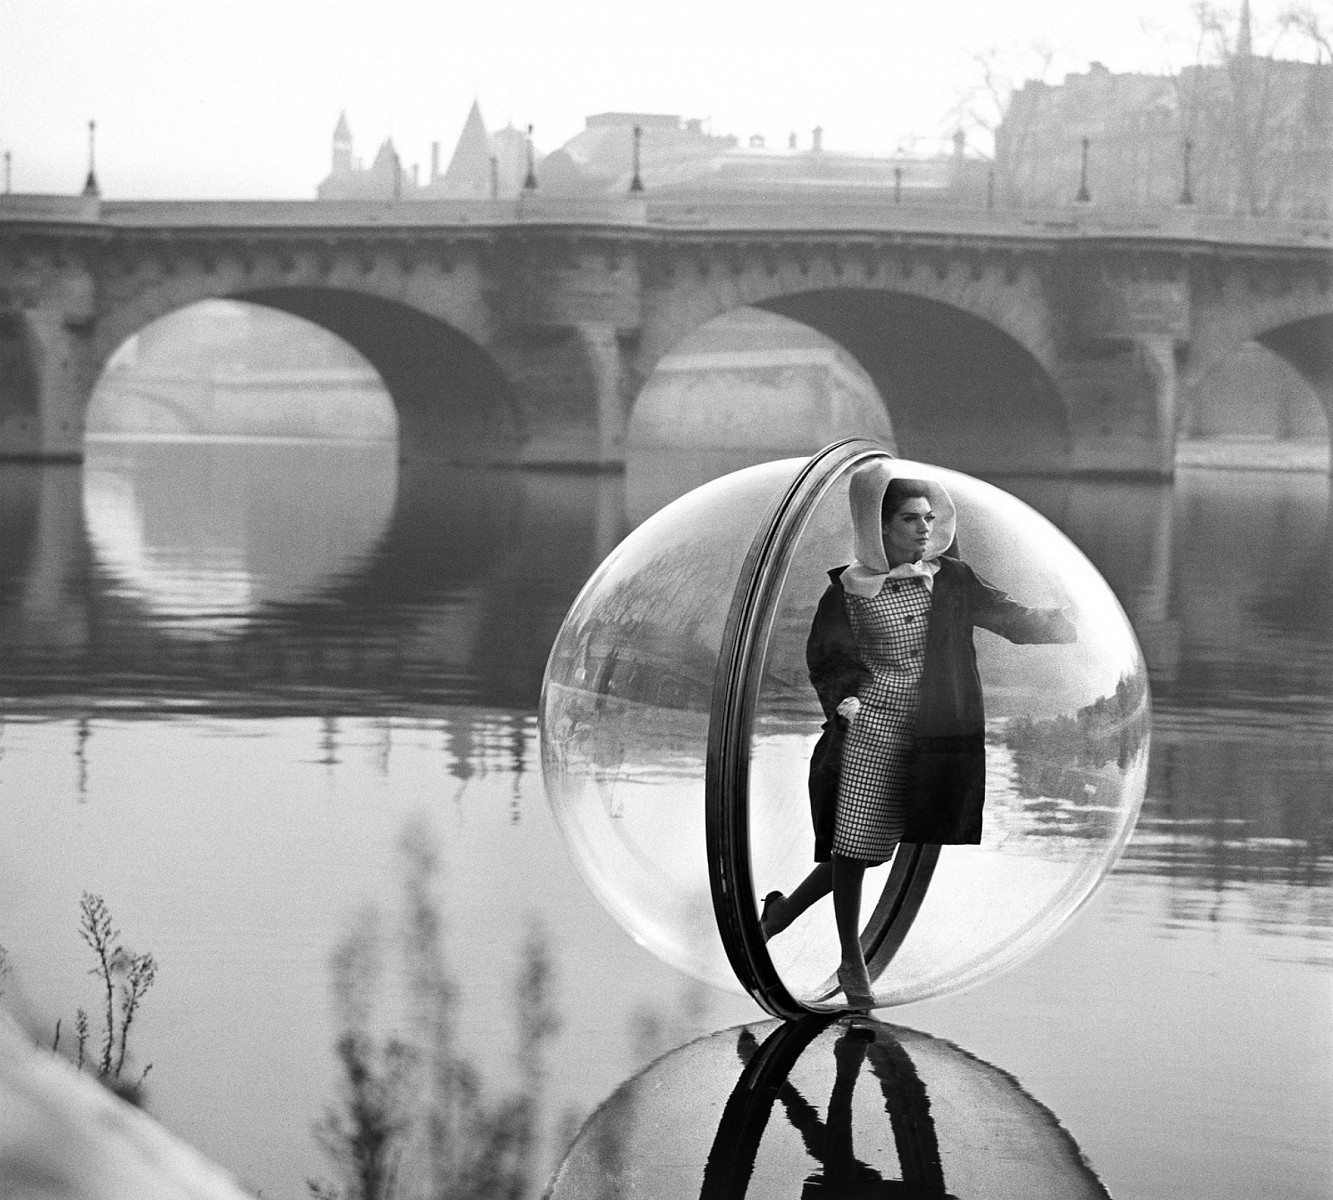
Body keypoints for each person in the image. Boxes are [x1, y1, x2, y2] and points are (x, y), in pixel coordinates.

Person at [760, 459, 1076, 1008]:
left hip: (933, 733)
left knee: (873, 845)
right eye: (910, 519)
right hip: (868, 729)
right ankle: (851, 959)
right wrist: (844, 700)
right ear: (879, 527)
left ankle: (783, 912)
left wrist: (1070, 623)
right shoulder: (847, 593)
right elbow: (826, 658)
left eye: (930, 518)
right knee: (853, 845)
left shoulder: (951, 580)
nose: (925, 529)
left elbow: (1007, 616)